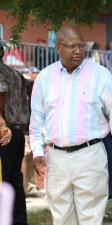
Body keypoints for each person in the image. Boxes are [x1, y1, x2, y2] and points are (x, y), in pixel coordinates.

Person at [29, 26, 112, 225]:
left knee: (90, 218)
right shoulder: (44, 78)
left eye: (81, 46)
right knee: (61, 218)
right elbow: (37, 119)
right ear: (58, 48)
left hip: (90, 156)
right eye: (72, 46)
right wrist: (38, 151)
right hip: (55, 158)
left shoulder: (101, 75)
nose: (78, 51)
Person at [0, 42, 29, 225]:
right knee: (14, 180)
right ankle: (18, 221)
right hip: (17, 131)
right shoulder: (15, 73)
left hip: (5, 131)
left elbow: (1, 94)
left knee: (3, 180)